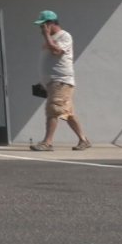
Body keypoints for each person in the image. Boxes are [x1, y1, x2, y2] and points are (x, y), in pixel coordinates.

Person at [30, 10, 91, 151]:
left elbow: (57, 52)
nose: (41, 29)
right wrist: (43, 81)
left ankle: (47, 143)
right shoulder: (51, 38)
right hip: (53, 82)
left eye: (43, 25)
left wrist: (46, 35)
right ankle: (84, 140)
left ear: (50, 23)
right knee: (67, 113)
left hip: (61, 80)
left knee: (53, 109)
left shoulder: (64, 36)